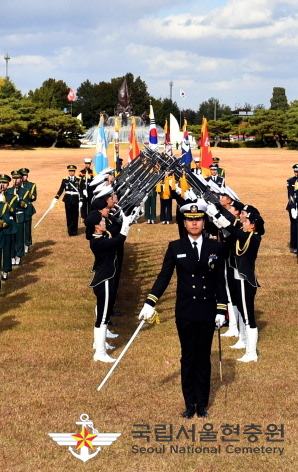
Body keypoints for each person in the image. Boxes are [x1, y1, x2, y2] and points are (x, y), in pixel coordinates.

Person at [138, 202, 228, 419]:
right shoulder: (175, 247)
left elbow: (219, 281)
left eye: (198, 219)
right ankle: (189, 404)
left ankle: (202, 404)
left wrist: (221, 309)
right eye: (190, 219)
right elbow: (164, 277)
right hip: (185, 310)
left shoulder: (214, 247)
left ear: (203, 222)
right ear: (184, 223)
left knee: (203, 357)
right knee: (188, 357)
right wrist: (150, 302)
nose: (194, 223)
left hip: (207, 310)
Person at [88, 207, 137, 361]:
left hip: (105, 279)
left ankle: (100, 344)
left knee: (104, 314)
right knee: (102, 318)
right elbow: (120, 239)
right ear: (96, 226)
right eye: (102, 221)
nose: (104, 222)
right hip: (105, 281)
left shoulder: (101, 237)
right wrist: (126, 225)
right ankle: (100, 353)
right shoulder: (98, 242)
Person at [223, 199, 262, 363]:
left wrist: (217, 212)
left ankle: (251, 353)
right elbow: (230, 235)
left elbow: (234, 230)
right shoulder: (242, 235)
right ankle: (244, 341)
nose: (242, 222)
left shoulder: (253, 237)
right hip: (238, 279)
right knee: (240, 308)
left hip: (246, 282)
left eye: (245, 221)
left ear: (252, 225)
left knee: (248, 317)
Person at [56, 164, 84, 236]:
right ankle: (70, 231)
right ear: (68, 172)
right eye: (70, 171)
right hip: (68, 199)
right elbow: (61, 189)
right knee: (68, 215)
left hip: (75, 199)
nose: (71, 172)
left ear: (74, 172)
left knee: (75, 215)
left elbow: (80, 190)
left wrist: (81, 200)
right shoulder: (65, 180)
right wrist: (56, 197)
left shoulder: (79, 179)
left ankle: (75, 230)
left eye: (72, 171)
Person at [284, 163, 298, 252]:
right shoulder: (290, 181)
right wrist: (293, 207)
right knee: (294, 226)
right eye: (296, 171)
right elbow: (290, 194)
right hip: (293, 206)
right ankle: (294, 245)